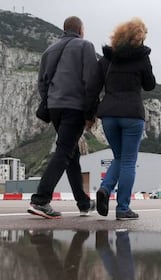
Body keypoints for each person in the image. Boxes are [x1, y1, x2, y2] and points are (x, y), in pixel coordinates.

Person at [28, 16, 100, 219]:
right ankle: (40, 200)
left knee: (71, 154)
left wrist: (51, 101)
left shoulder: (49, 50)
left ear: (64, 29)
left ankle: (84, 203)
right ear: (81, 29)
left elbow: (42, 83)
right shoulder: (85, 46)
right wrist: (91, 113)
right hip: (74, 107)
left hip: (55, 107)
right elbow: (91, 81)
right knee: (64, 151)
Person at [95, 17, 156, 220]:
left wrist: (89, 114)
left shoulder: (107, 59)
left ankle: (105, 189)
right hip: (131, 115)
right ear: (139, 38)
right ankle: (122, 208)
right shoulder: (142, 58)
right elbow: (149, 85)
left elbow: (93, 87)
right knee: (129, 161)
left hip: (109, 115)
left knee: (119, 157)